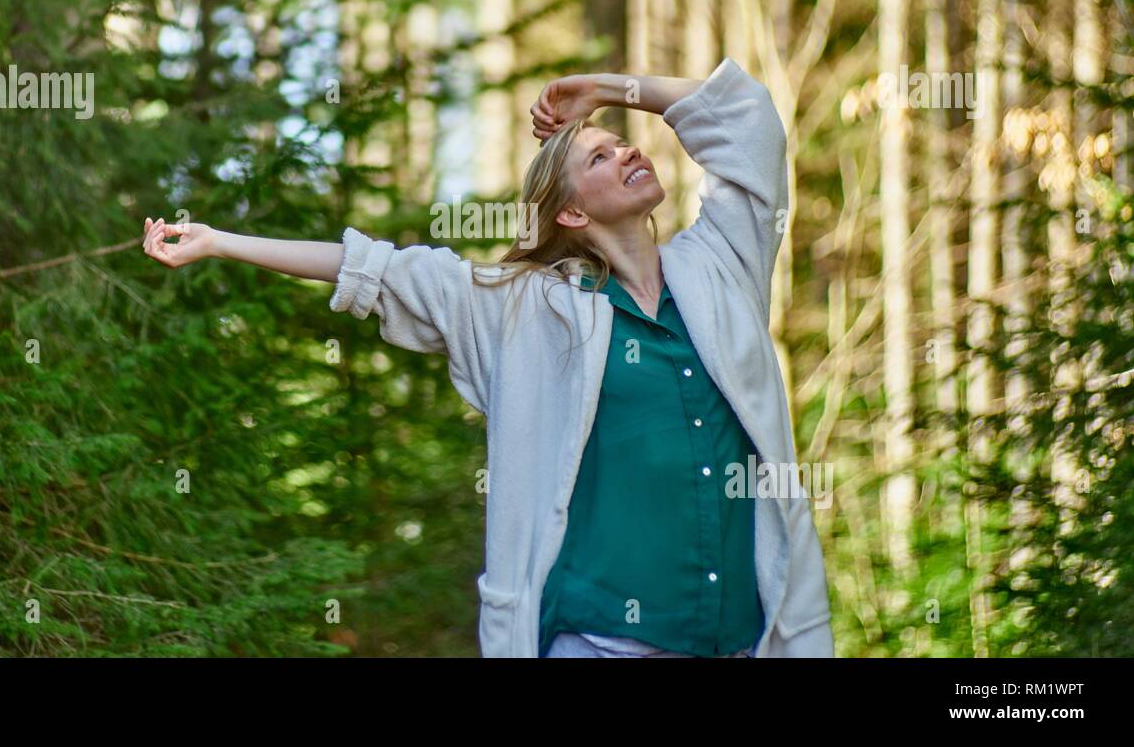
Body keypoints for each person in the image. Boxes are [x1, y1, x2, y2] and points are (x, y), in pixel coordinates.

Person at [140, 57, 834, 658]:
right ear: (569, 215)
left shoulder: (721, 269)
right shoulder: (525, 308)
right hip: (603, 642)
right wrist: (220, 241)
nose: (628, 152)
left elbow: (746, 122)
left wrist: (605, 88)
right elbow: (372, 268)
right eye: (599, 157)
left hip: (742, 639)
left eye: (622, 144)